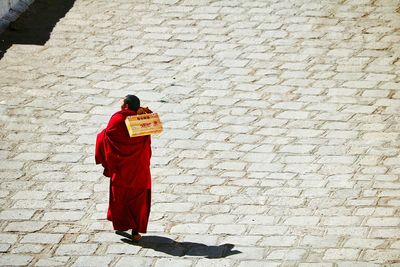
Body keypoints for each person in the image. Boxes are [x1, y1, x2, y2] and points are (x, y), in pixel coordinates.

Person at [95, 94, 153, 241]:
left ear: (126, 107)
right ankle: (135, 232)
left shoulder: (118, 119)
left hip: (121, 169)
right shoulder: (143, 121)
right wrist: (146, 113)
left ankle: (121, 224)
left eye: (122, 105)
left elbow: (106, 136)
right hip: (139, 169)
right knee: (138, 200)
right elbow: (152, 128)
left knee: (120, 198)